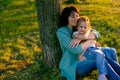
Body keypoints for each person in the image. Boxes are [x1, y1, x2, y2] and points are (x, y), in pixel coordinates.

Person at [56, 6, 120, 80]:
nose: (76, 18)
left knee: (111, 52)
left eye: (77, 16)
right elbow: (75, 50)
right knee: (100, 57)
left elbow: (96, 33)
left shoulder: (79, 26)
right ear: (66, 18)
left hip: (87, 54)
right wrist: (90, 41)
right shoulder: (61, 32)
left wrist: (82, 38)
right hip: (74, 64)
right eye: (73, 17)